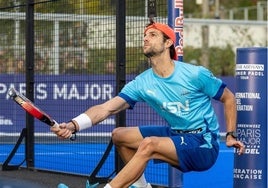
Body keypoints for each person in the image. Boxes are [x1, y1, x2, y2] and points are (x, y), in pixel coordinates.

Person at [51, 21, 245, 188]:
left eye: (152, 35)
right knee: (119, 135)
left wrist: (230, 135)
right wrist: (73, 125)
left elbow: (229, 98)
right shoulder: (142, 82)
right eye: (145, 35)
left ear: (168, 42)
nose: (145, 38)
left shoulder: (195, 74)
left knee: (148, 144)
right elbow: (106, 108)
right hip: (177, 132)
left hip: (203, 142)